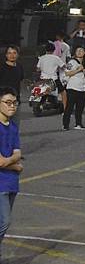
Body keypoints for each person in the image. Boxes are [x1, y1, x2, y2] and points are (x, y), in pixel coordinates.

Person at [0, 87, 23, 261]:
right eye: (7, 102)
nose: (12, 106)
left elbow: (17, 153)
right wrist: (15, 166)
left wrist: (11, 161)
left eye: (14, 102)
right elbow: (2, 162)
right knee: (4, 222)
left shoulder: (13, 127)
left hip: (11, 183)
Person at [62, 47, 85, 131]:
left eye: (81, 50)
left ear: (84, 53)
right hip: (72, 88)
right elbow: (67, 73)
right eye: (78, 50)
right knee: (69, 108)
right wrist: (78, 70)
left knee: (80, 108)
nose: (79, 52)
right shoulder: (72, 62)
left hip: (83, 88)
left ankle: (78, 124)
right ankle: (65, 125)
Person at [36, 43, 67, 109]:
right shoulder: (56, 58)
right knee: (63, 92)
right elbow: (63, 67)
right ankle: (65, 109)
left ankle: (41, 104)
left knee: (43, 92)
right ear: (54, 50)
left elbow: (38, 69)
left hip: (43, 79)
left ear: (45, 49)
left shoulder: (42, 58)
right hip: (53, 79)